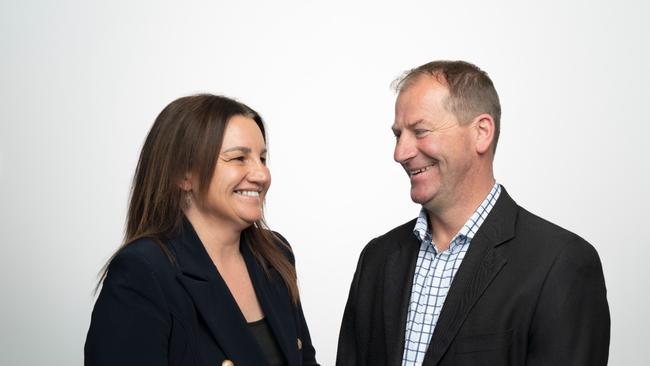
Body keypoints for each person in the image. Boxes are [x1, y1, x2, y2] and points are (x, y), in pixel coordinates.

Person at [336, 61, 610, 366]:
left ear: (481, 132)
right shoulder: (377, 258)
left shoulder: (560, 264)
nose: (400, 153)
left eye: (420, 131)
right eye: (398, 135)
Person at [85, 94, 319, 366]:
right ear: (184, 175)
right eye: (239, 158)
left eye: (262, 158)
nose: (261, 174)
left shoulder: (275, 255)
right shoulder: (144, 271)